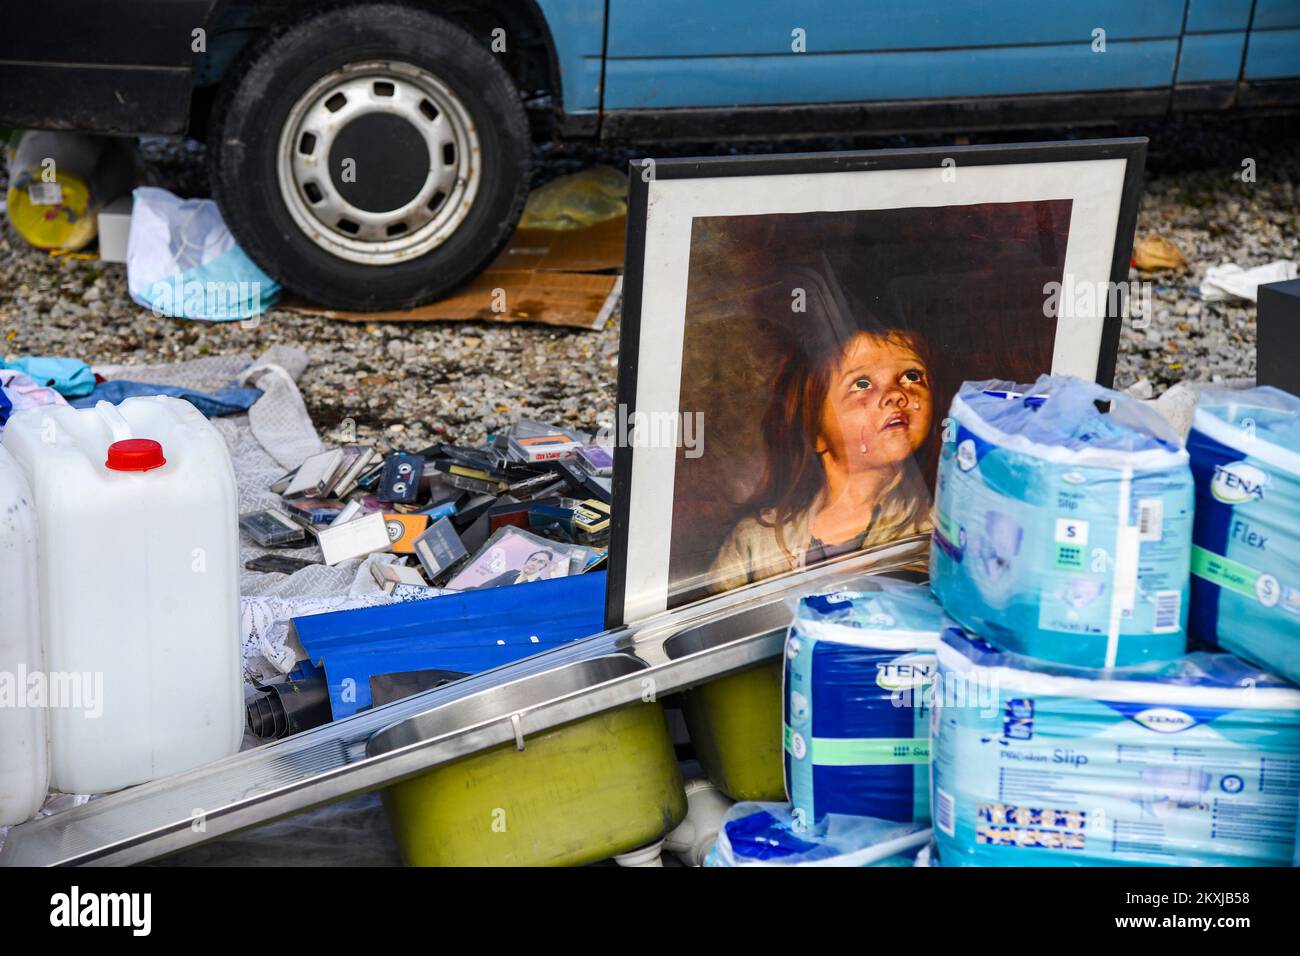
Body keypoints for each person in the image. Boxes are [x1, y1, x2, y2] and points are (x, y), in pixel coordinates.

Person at [708, 259, 937, 593]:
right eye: (861, 384)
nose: (896, 395)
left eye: (912, 375)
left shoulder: (938, 526)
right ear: (814, 429)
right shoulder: (755, 540)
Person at [480, 548, 559, 589]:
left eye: (540, 562)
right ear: (527, 561)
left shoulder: (539, 585)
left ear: (544, 566)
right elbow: (487, 585)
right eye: (533, 559)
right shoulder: (512, 573)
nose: (534, 564)